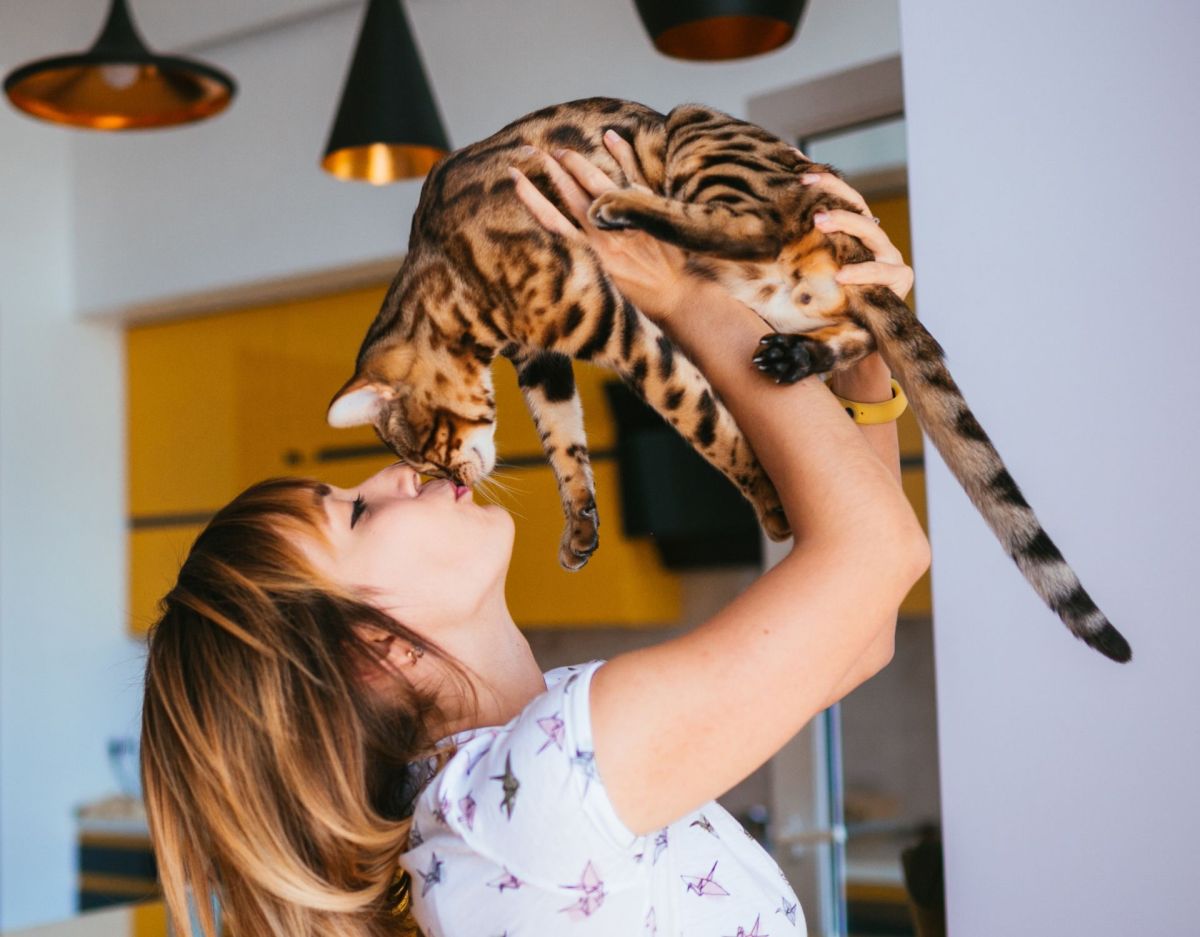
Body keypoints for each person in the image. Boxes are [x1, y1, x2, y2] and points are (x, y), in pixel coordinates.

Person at [140, 133, 929, 937]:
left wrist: (862, 367)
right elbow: (876, 556)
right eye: (358, 511)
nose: (392, 471)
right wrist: (684, 295)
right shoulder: (536, 792)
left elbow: (858, 637)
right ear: (377, 650)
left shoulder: (515, 772)